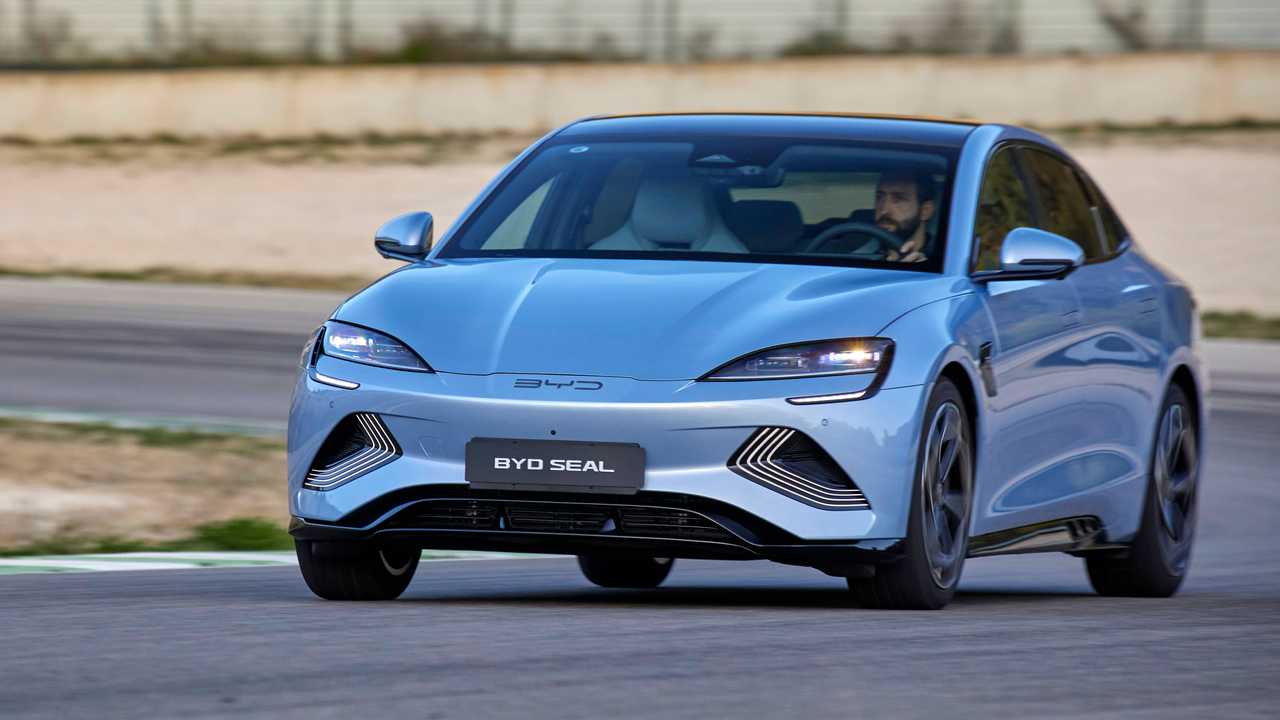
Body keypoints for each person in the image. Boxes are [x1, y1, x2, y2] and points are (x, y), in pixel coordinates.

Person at [873, 169, 937, 263]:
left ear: (925, 211)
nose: (884, 210)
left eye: (898, 199)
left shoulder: (946, 259)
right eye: (879, 197)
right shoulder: (856, 249)